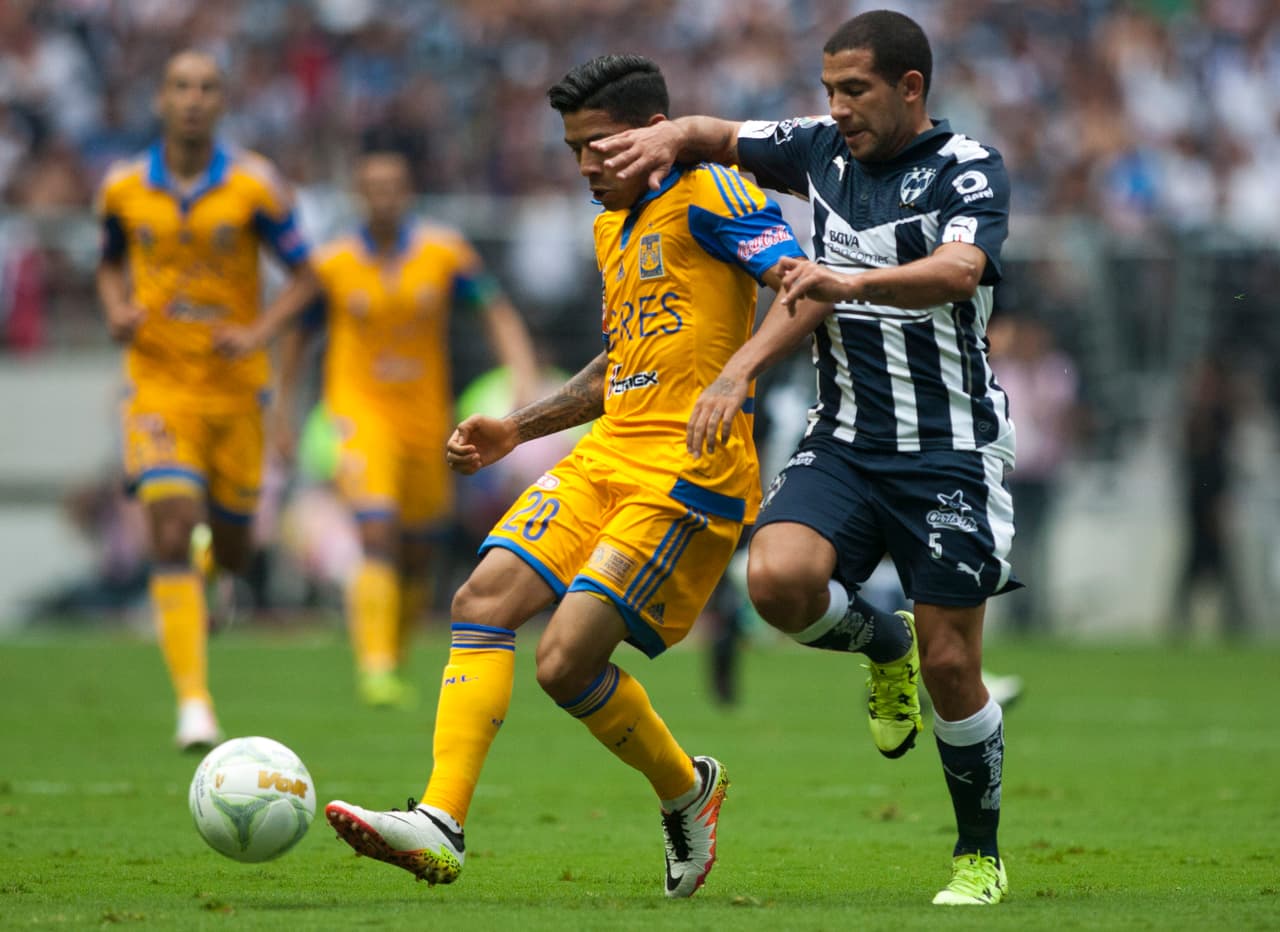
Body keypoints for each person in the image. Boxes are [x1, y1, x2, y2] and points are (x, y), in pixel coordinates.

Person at [323, 53, 808, 898]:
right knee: (480, 601)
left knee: (562, 664)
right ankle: (440, 822)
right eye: (574, 148)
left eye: (602, 145)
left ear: (658, 133)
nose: (586, 165)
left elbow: (802, 289)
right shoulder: (609, 223)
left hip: (687, 475)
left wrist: (739, 376)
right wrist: (518, 427)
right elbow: (623, 359)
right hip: (607, 455)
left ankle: (688, 791)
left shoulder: (715, 194)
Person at [597, 10, 1018, 905]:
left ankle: (978, 855)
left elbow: (958, 271)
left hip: (949, 449)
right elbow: (718, 134)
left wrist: (847, 281)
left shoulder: (969, 167)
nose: (837, 108)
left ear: (911, 89)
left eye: (855, 91)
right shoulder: (817, 148)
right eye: (828, 90)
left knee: (956, 668)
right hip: (844, 437)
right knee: (778, 583)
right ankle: (882, 643)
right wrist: (666, 134)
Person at [95, 50, 317, 750]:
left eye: (207, 88)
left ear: (222, 102)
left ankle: (210, 578)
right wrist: (115, 308)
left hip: (234, 394)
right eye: (181, 86)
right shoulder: (123, 186)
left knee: (236, 546)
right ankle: (194, 703)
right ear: (161, 98)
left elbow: (309, 279)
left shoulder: (255, 185)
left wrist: (257, 331)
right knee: (170, 517)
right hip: (159, 385)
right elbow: (107, 261)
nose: (193, 99)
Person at [276, 148, 539, 707]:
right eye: (373, 185)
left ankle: (391, 658)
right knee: (376, 527)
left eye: (394, 184)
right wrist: (282, 409)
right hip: (359, 414)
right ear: (358, 193)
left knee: (420, 547)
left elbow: (493, 308)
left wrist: (521, 371)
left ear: (409, 191)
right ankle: (373, 668)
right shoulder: (335, 262)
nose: (384, 195)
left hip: (424, 422)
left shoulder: (444, 254)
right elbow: (297, 333)